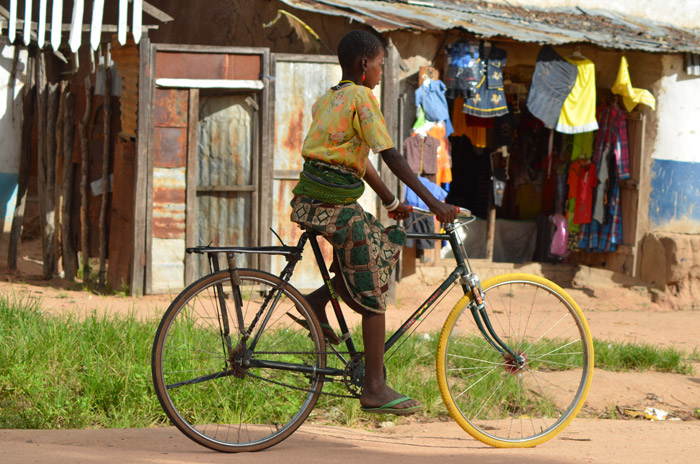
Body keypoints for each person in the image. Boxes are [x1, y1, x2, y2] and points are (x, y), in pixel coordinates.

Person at [289, 30, 458, 415]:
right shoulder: (363, 98)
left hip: (311, 201)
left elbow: (358, 158)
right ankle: (375, 387)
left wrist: (391, 200)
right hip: (334, 205)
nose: (382, 72)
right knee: (378, 271)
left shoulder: (329, 98)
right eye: (381, 64)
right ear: (365, 65)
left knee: (371, 254)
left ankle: (315, 303)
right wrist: (435, 204)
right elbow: (391, 156)